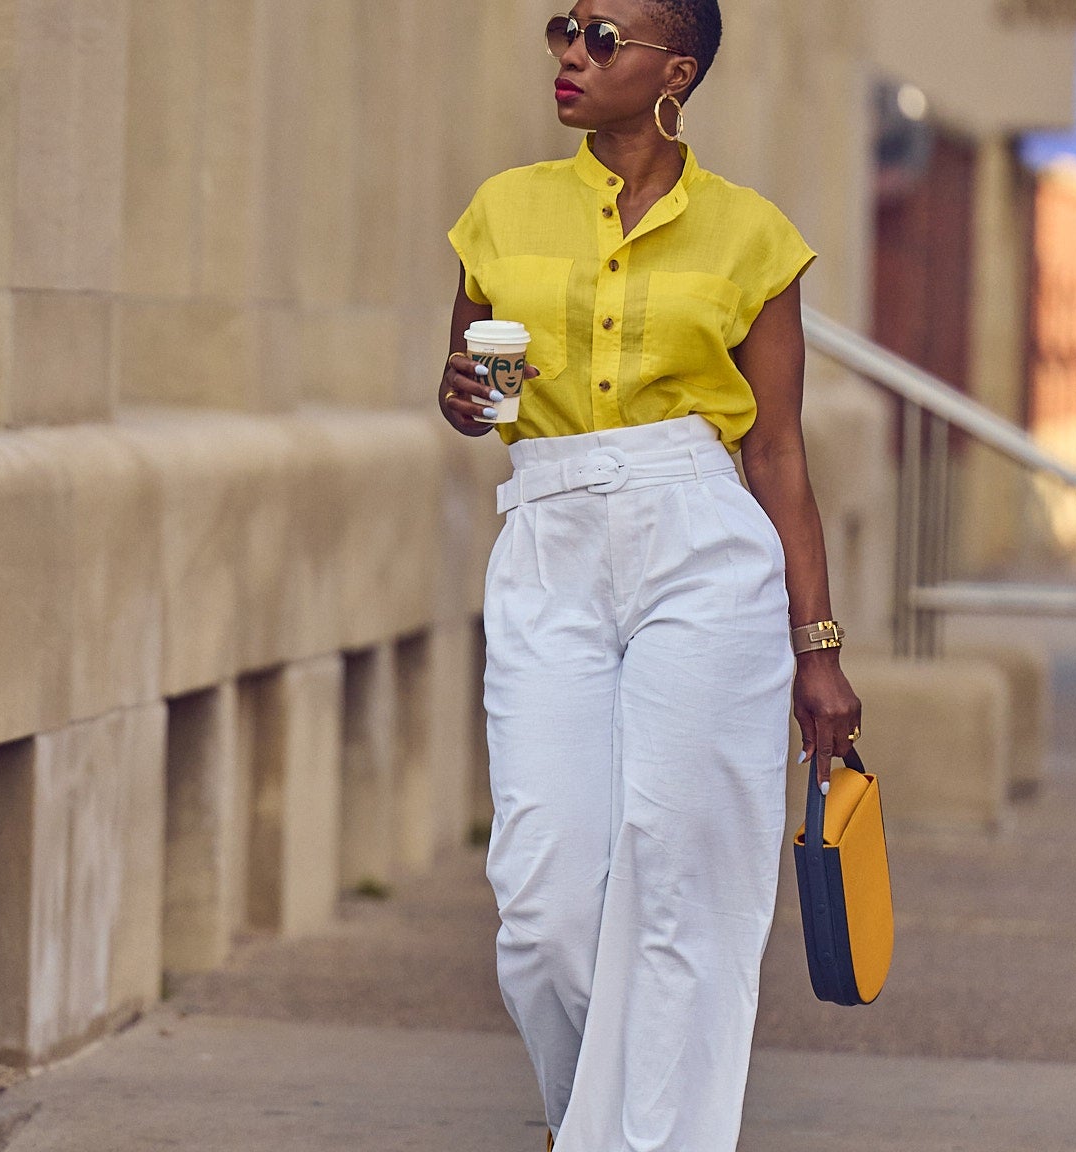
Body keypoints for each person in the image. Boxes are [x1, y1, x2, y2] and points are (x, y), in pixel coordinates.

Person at [440, 3, 864, 1148]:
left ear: (674, 71)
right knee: (543, 908)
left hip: (698, 540)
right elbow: (470, 389)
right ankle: (584, 1121)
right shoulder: (501, 208)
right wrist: (462, 397)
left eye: (599, 35)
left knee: (683, 895)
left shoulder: (750, 236)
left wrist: (815, 651)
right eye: (559, 29)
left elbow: (774, 451)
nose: (570, 55)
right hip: (548, 531)